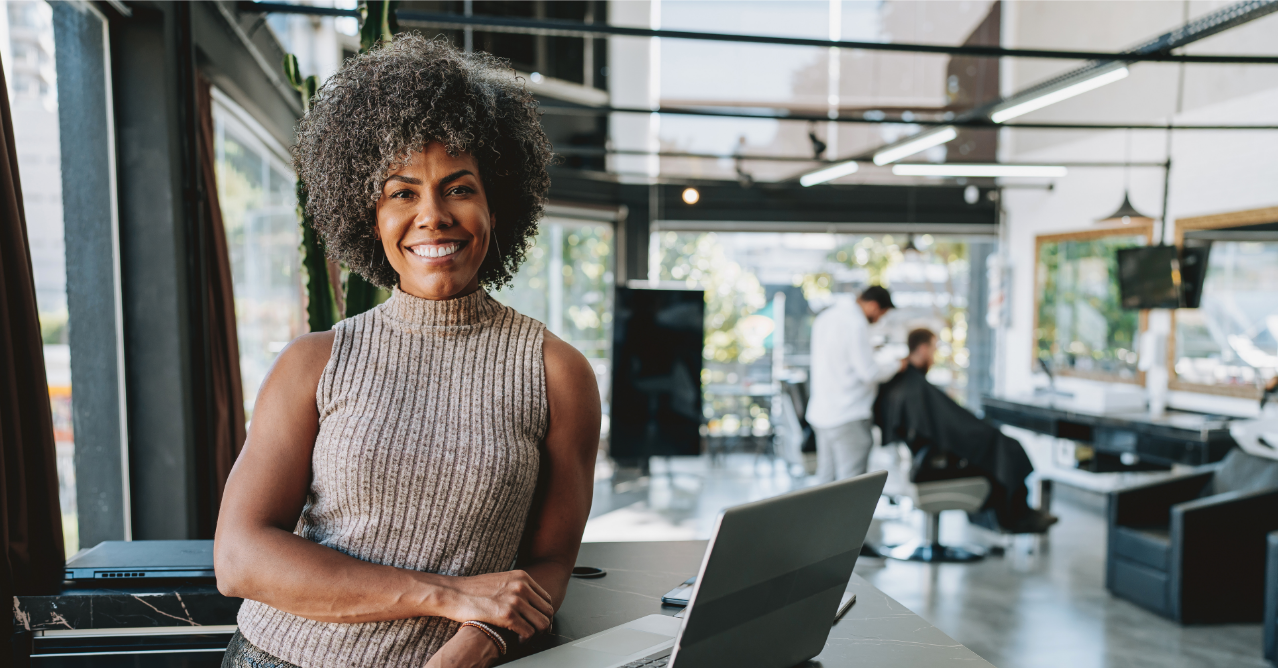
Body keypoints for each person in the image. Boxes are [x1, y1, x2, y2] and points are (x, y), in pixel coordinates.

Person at [213, 36, 601, 668]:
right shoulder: (313, 363)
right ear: (370, 216)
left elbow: (551, 559)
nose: (433, 215)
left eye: (458, 187)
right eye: (402, 193)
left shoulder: (557, 373)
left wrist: (487, 637)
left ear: (495, 205)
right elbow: (238, 558)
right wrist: (447, 597)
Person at [876, 328, 1057, 534]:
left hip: (923, 455)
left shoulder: (905, 381)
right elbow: (951, 424)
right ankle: (1014, 516)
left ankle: (1015, 513)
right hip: (932, 459)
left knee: (999, 446)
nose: (935, 357)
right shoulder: (914, 386)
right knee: (1005, 447)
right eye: (934, 349)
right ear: (924, 349)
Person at [806, 285, 904, 483]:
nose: (878, 320)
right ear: (874, 306)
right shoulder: (856, 323)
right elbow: (868, 372)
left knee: (826, 483)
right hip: (848, 415)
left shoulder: (827, 317)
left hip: (822, 414)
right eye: (881, 314)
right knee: (850, 489)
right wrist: (897, 365)